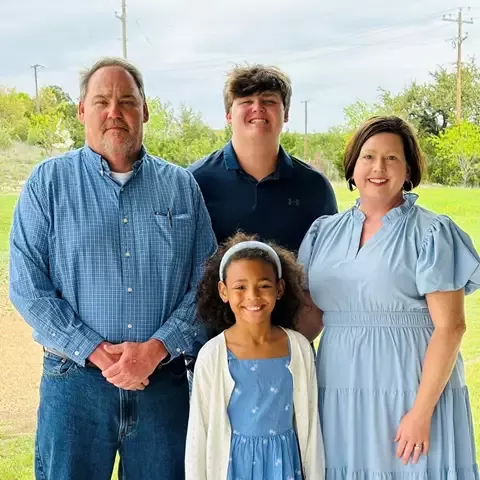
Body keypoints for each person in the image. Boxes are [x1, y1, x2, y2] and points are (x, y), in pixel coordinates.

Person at [9, 57, 217, 480]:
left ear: (146, 109)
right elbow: (27, 286)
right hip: (75, 385)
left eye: (126, 100)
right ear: (82, 111)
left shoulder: (181, 187)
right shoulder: (47, 184)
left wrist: (157, 349)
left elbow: (207, 284)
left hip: (163, 385)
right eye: (101, 101)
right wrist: (97, 352)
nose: (114, 111)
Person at [298, 115, 480, 478]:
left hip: (409, 390)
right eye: (368, 157)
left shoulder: (432, 233)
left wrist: (421, 412)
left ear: (409, 168)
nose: (378, 168)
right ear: (352, 166)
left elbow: (451, 328)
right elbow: (310, 318)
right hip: (338, 390)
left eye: (392, 158)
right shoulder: (323, 232)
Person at [185, 232, 325, 480]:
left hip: (283, 466)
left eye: (264, 286)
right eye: (240, 287)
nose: (253, 296)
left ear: (280, 288)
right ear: (223, 291)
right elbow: (199, 433)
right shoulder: (213, 355)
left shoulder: (299, 348)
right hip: (232, 468)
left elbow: (310, 425)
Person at [188, 64, 337, 253]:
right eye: (246, 101)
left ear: (286, 114)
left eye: (269, 101)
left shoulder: (315, 186)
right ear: (228, 115)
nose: (257, 108)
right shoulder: (195, 182)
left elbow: (328, 262)